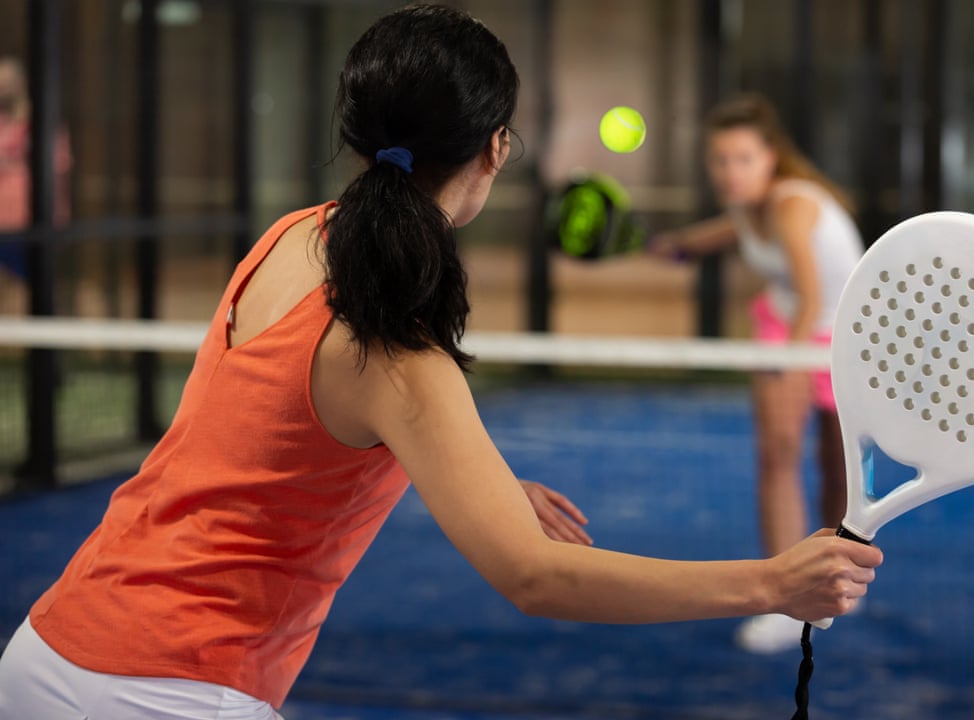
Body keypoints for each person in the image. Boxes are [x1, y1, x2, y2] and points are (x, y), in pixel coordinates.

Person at [0, 8, 881, 719]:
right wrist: (770, 583)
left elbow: (295, 433)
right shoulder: (396, 346)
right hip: (168, 689)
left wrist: (485, 481)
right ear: (494, 147)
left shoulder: (291, 237)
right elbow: (535, 578)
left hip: (50, 647)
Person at [651, 94, 866, 654]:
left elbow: (814, 294)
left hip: (842, 338)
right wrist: (672, 247)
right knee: (777, 455)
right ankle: (786, 601)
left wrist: (788, 362)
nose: (730, 171)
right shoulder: (746, 207)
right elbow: (714, 237)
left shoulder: (793, 205)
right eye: (720, 160)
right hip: (785, 323)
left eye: (743, 159)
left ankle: (836, 580)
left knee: (837, 473)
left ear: (771, 158)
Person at [0, 56, 71, 281]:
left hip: (30, 218)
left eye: (8, 82)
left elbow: (59, 163)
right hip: (2, 218)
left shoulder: (41, 122)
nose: (3, 88)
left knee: (33, 285)